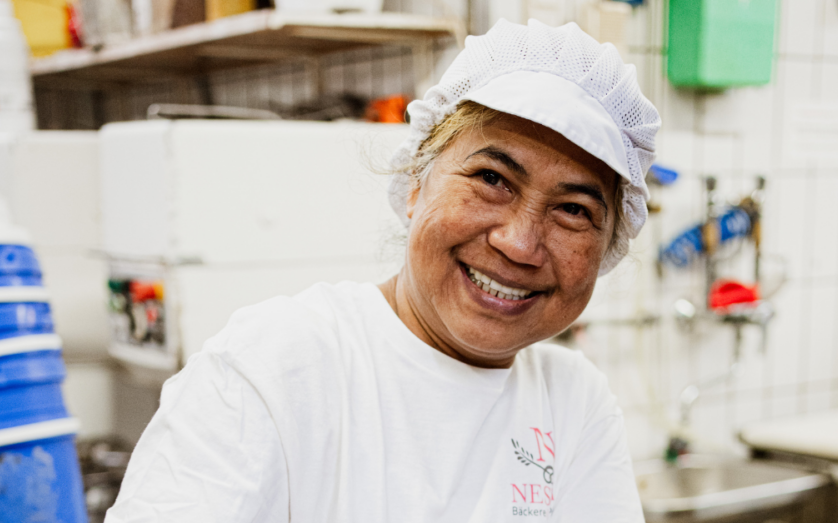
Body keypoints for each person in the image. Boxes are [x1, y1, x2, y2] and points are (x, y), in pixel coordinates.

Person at [105, 18, 660, 523]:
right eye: (492, 178)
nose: (519, 243)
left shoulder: (573, 404)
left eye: (573, 210)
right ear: (417, 181)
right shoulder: (272, 368)